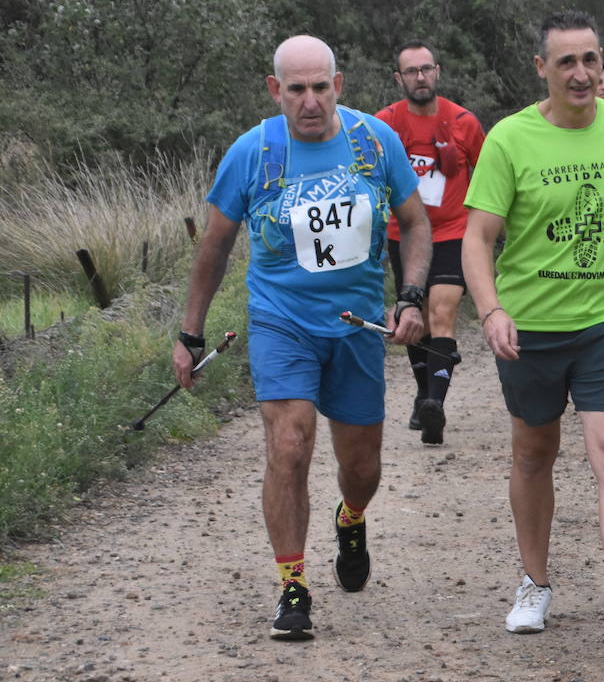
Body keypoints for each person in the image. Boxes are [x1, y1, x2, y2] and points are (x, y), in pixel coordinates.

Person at [174, 35, 430, 640]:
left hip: (357, 326)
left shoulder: (374, 142)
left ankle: (352, 516)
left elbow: (416, 224)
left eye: (321, 87)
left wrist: (412, 297)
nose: (310, 101)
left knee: (361, 465)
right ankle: (293, 587)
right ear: (276, 91)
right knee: (288, 443)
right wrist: (189, 332)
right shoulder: (253, 152)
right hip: (280, 320)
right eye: (296, 89)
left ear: (338, 85)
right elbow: (214, 247)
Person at [462, 10, 604, 659]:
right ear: (543, 69)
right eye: (567, 62)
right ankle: (534, 582)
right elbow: (478, 236)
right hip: (530, 326)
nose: (583, 73)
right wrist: (493, 309)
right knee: (534, 452)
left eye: (591, 59)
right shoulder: (510, 140)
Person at [376, 41, 485, 446]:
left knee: (443, 308)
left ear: (437, 72)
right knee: (414, 316)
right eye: (411, 71)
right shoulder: (384, 125)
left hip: (454, 230)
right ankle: (425, 394)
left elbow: (489, 174)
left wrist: (483, 226)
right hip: (402, 235)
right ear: (399, 79)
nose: (419, 77)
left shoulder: (463, 121)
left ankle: (434, 404)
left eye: (426, 69)